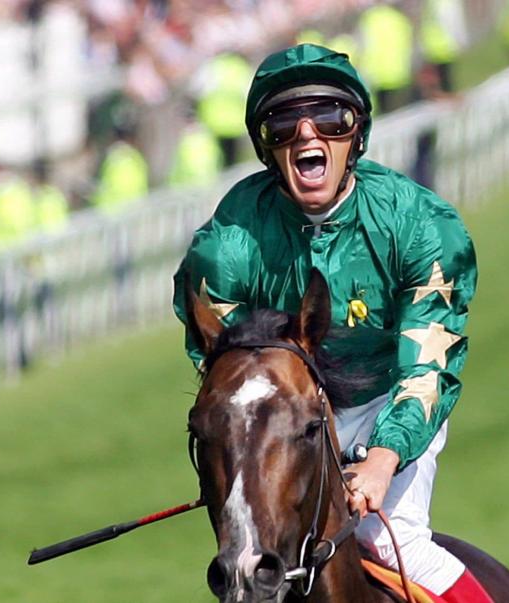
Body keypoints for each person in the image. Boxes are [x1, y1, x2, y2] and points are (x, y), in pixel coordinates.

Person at [171, 44, 490, 601]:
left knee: (388, 543)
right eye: (282, 125)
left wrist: (384, 458)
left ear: (356, 135)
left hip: (386, 394)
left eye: (328, 118)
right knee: (251, 558)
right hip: (282, 411)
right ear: (265, 147)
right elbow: (225, 375)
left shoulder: (419, 227)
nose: (306, 135)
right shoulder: (226, 247)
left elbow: (429, 364)